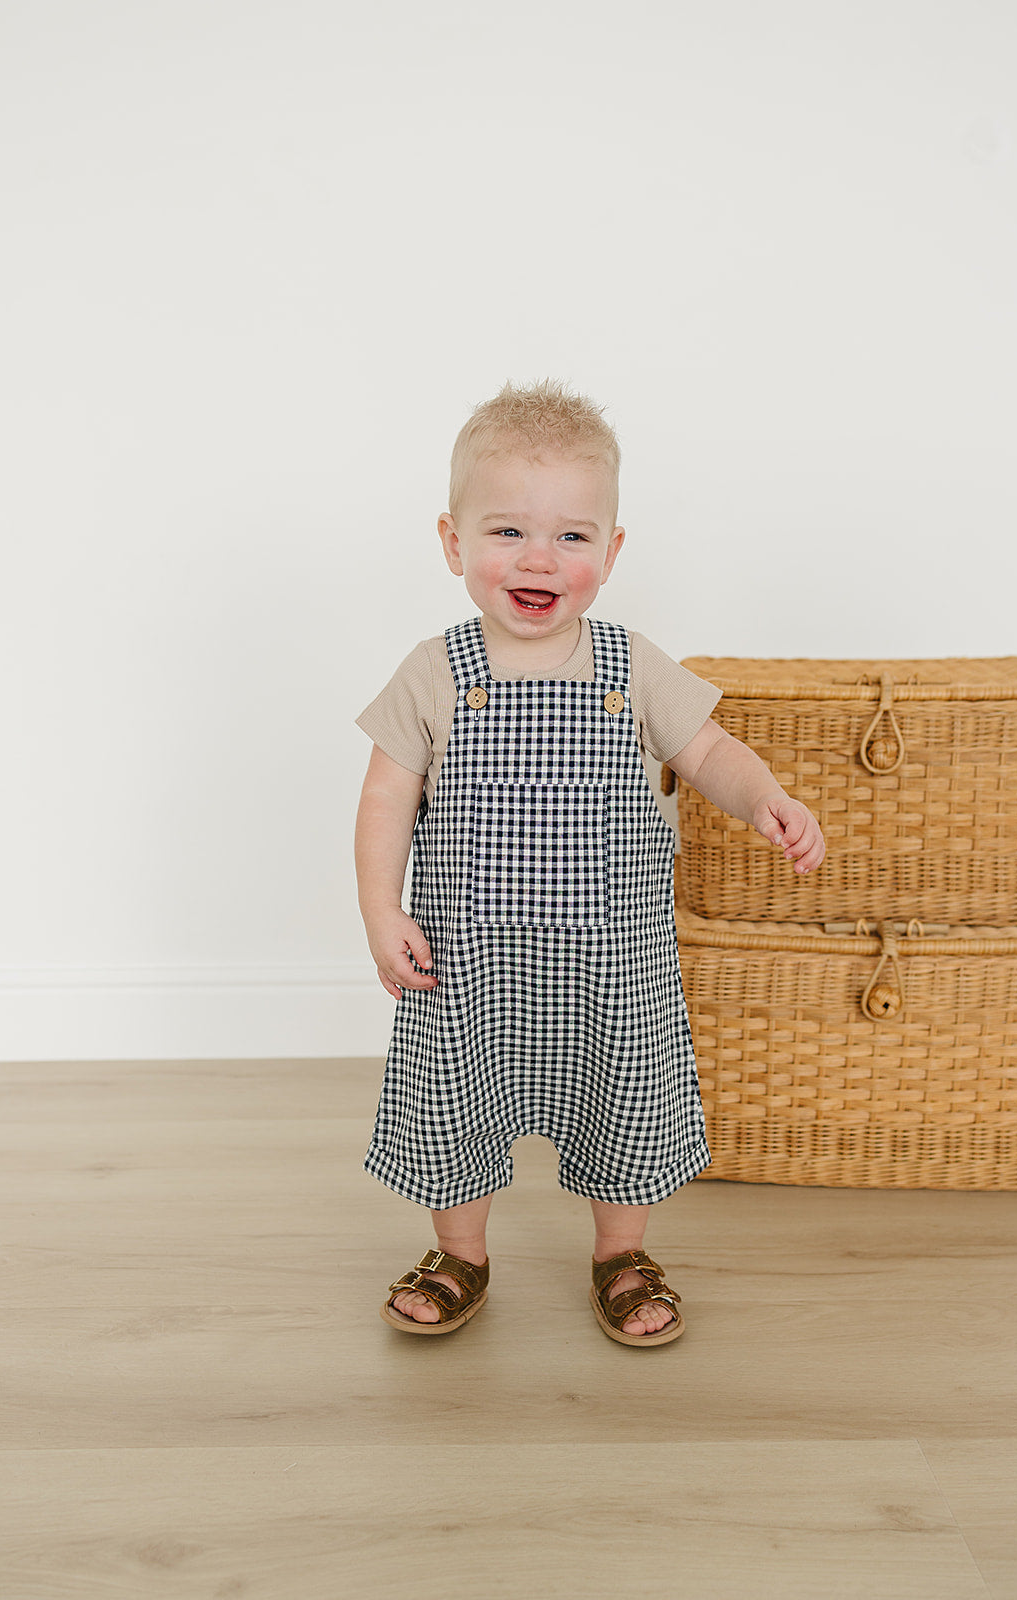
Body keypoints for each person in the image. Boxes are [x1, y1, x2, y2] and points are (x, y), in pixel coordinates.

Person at [354, 379, 825, 1346]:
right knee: (455, 1096)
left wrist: (766, 797)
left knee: (626, 1098)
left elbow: (707, 754)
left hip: (611, 959)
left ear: (609, 555)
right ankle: (461, 1253)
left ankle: (621, 1254)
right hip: (469, 957)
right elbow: (384, 799)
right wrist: (378, 910)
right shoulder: (436, 671)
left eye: (571, 537)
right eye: (506, 533)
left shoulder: (630, 665)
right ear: (452, 543)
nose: (539, 558)